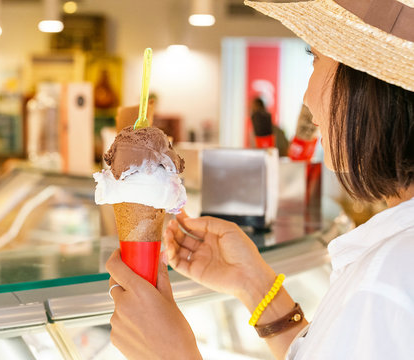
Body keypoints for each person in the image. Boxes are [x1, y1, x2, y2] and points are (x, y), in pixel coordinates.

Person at [106, 0, 414, 358]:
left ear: (370, 86)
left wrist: (171, 354)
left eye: (314, 58)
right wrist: (253, 282)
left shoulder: (389, 277)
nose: (307, 97)